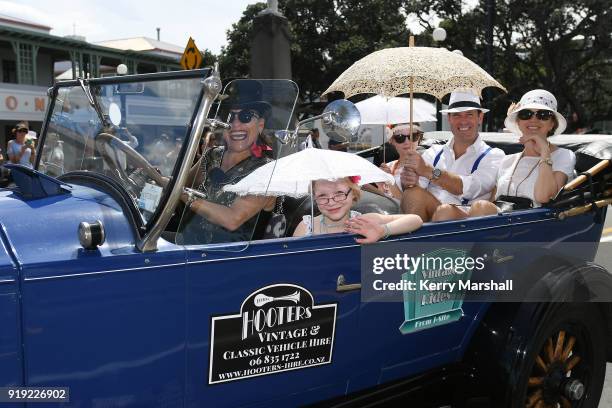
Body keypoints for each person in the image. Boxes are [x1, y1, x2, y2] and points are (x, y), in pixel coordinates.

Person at [178, 80, 276, 244]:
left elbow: (232, 219)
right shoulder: (212, 155)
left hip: (232, 260)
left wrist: (181, 194)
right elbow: (182, 183)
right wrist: (158, 180)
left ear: (260, 125)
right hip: (187, 247)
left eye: (245, 117)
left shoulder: (267, 170)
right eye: (229, 117)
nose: (235, 125)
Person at [399, 90, 505, 222]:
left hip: (466, 225)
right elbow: (416, 188)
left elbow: (470, 189)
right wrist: (408, 181)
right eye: (457, 115)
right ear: (449, 118)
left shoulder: (494, 155)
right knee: (412, 193)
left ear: (480, 118)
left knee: (445, 212)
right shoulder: (433, 152)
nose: (463, 121)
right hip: (429, 216)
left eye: (469, 115)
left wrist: (429, 171)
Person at [469, 90, 575, 216]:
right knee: (447, 211)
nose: (534, 120)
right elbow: (494, 203)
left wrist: (544, 151)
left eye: (543, 115)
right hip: (501, 224)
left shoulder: (564, 156)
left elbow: (544, 197)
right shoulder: (507, 161)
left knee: (481, 207)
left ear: (552, 124)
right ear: (518, 122)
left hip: (534, 226)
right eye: (526, 114)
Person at [293, 177, 423, 243]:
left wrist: (383, 230)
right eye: (322, 196)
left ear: (353, 194)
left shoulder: (364, 221)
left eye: (339, 193)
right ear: (314, 198)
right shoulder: (305, 227)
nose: (331, 202)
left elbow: (415, 220)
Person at [377, 123, 424, 198]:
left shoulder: (426, 166)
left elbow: (411, 205)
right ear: (391, 140)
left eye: (413, 136)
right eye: (400, 137)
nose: (407, 142)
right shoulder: (388, 167)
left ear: (419, 138)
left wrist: (389, 181)